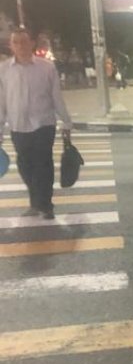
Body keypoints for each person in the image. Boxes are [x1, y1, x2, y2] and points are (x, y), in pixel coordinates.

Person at [0, 28, 73, 220]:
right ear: (11, 45)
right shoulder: (4, 69)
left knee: (43, 164)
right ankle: (35, 203)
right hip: (18, 126)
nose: (21, 46)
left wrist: (66, 121)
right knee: (25, 165)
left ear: (32, 43)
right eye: (16, 42)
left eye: (24, 41)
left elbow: (56, 97)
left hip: (43, 124)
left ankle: (46, 205)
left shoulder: (46, 67)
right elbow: (1, 101)